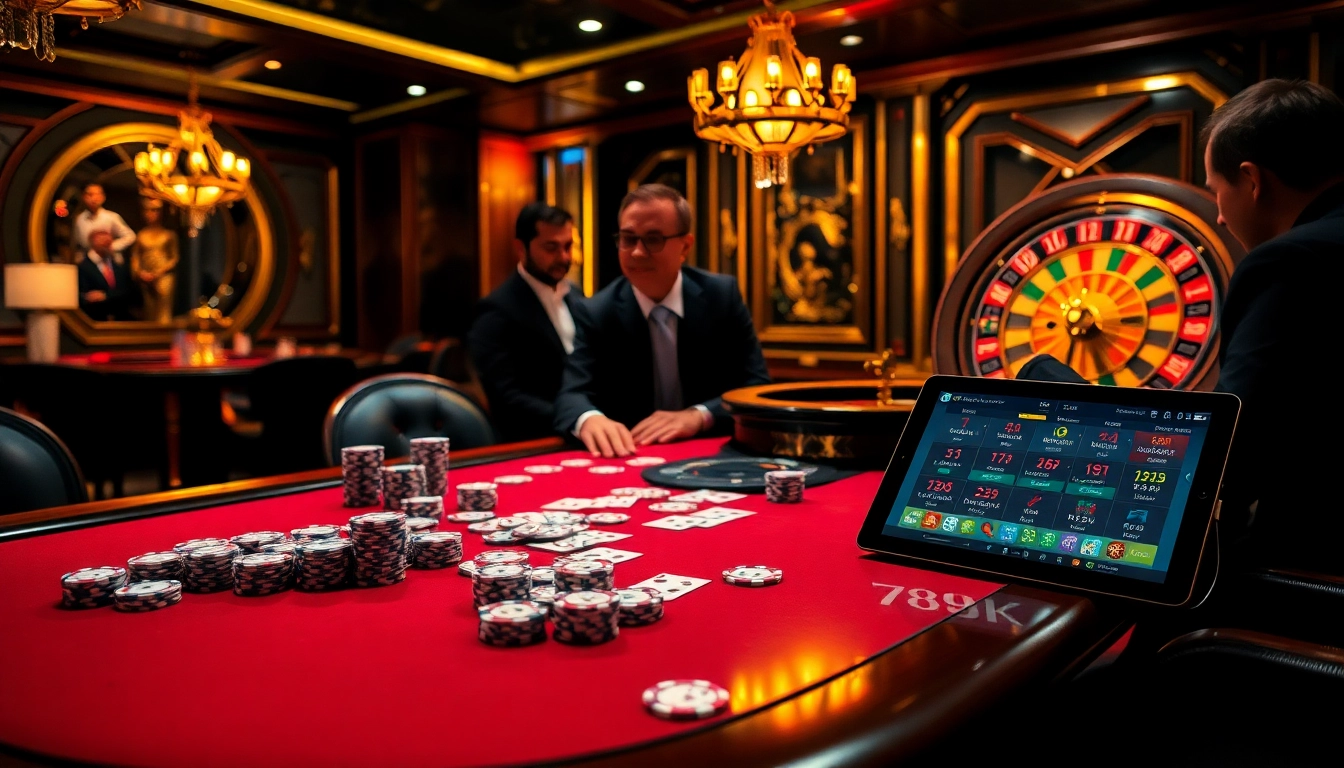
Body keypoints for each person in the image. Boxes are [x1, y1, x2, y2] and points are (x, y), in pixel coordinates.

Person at [1019, 79, 1344, 578]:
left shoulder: (1289, 261)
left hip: (1304, 580)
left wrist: (1055, 388)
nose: (1217, 213)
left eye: (1217, 191)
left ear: (1252, 180)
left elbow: (1224, 460)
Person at [554, 183, 771, 457]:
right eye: (628, 238)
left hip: (714, 454)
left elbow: (757, 387)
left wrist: (699, 416)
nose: (637, 252)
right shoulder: (597, 311)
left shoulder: (721, 296)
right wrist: (589, 418)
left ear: (685, 246)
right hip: (633, 458)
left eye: (653, 239)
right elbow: (570, 396)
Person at [467, 202, 586, 441]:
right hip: (534, 441)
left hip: (583, 433)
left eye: (568, 246)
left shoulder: (575, 295)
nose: (564, 257)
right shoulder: (495, 311)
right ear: (521, 248)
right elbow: (507, 399)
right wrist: (578, 419)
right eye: (551, 248)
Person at [130, 198, 180, 324]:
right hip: (146, 275)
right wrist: (139, 272)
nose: (150, 214)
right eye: (147, 211)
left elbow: (174, 258)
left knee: (164, 310)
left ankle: (163, 337)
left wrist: (160, 272)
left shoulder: (168, 235)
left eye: (154, 211)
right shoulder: (141, 235)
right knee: (149, 309)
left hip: (163, 275)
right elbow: (135, 257)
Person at [77, 229, 134, 321]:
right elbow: (79, 295)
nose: (108, 245)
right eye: (104, 243)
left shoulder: (119, 266)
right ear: (93, 243)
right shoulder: (82, 267)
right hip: (93, 321)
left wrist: (106, 296)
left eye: (109, 243)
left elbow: (129, 290)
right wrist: (87, 297)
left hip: (120, 320)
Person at [71, 183, 136, 258]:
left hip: (109, 258)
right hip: (89, 260)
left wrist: (111, 247)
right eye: (90, 195)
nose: (94, 198)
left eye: (97, 194)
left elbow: (130, 236)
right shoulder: (80, 219)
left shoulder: (111, 217)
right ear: (84, 197)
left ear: (103, 197)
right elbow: (77, 243)